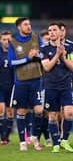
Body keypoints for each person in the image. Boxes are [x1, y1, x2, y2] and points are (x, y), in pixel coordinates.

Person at [8, 17, 43, 151]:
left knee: (39, 110)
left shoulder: (35, 38)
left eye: (29, 24)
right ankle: (22, 141)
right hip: (21, 81)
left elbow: (43, 56)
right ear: (19, 27)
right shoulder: (13, 42)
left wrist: (37, 56)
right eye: (25, 24)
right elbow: (11, 63)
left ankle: (34, 136)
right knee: (21, 111)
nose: (29, 26)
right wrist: (27, 58)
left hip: (36, 80)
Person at [40, 22, 73, 153]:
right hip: (51, 87)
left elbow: (72, 67)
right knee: (53, 116)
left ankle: (64, 140)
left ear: (60, 33)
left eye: (54, 30)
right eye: (49, 31)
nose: (52, 32)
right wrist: (57, 55)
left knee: (69, 113)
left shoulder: (70, 48)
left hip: (66, 86)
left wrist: (63, 57)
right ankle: (55, 144)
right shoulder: (43, 49)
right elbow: (47, 67)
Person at [0, 31, 14, 145]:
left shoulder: (15, 54)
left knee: (10, 113)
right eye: (4, 39)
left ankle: (6, 137)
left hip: (12, 87)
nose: (6, 42)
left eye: (8, 39)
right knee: (1, 111)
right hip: (0, 87)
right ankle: (2, 136)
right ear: (1, 40)